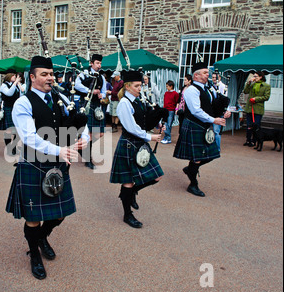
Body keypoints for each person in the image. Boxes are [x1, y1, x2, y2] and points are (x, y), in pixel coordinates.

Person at [5, 56, 89, 280]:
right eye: (44, 74)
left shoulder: (60, 97)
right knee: (33, 217)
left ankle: (41, 237)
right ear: (32, 77)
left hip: (58, 164)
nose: (50, 77)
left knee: (60, 214)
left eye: (51, 74)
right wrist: (60, 149)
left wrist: (84, 137)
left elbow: (80, 119)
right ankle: (34, 254)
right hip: (34, 164)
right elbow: (29, 137)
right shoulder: (23, 103)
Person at [110, 70, 164, 228]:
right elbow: (132, 128)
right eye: (137, 86)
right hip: (129, 144)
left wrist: (159, 122)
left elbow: (145, 118)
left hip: (140, 143)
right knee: (128, 183)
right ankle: (127, 214)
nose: (140, 88)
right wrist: (150, 137)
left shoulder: (138, 100)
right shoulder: (124, 103)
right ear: (127, 86)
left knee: (156, 177)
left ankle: (131, 193)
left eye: (141, 85)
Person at [173, 62, 230, 197]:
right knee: (197, 158)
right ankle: (193, 184)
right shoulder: (192, 90)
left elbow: (213, 106)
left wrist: (223, 112)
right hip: (194, 125)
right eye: (205, 72)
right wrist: (213, 120)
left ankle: (190, 169)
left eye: (207, 72)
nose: (208, 75)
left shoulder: (208, 89)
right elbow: (196, 111)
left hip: (205, 126)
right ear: (196, 75)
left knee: (212, 154)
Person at [75, 54, 107, 169]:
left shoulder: (101, 77)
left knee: (99, 133)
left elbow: (103, 91)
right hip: (86, 104)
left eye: (100, 63)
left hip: (97, 107)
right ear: (92, 63)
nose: (99, 65)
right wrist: (90, 90)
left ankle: (82, 147)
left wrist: (101, 95)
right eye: (97, 63)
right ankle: (88, 159)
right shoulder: (84, 73)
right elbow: (77, 85)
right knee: (88, 133)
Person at [242, 71, 271, 147]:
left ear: (261, 77)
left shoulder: (266, 86)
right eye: (254, 76)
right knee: (249, 125)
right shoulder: (252, 84)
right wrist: (248, 83)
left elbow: (266, 97)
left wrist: (256, 99)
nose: (254, 78)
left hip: (258, 109)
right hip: (249, 108)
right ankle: (248, 140)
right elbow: (245, 91)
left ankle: (255, 140)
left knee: (256, 126)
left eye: (256, 76)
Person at [0, 72, 21, 155]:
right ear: (9, 77)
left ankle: (13, 147)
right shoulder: (4, 86)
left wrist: (18, 84)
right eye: (14, 76)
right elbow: (9, 93)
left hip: (15, 109)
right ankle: (8, 149)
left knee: (18, 131)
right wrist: (15, 83)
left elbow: (21, 94)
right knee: (9, 130)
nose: (15, 77)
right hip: (8, 108)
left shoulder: (15, 85)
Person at [210, 73, 228, 151]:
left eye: (215, 77)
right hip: (211, 111)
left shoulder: (223, 87)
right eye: (213, 77)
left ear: (219, 77)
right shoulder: (210, 86)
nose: (214, 79)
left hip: (218, 112)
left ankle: (217, 148)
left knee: (216, 131)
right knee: (211, 130)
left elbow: (225, 100)